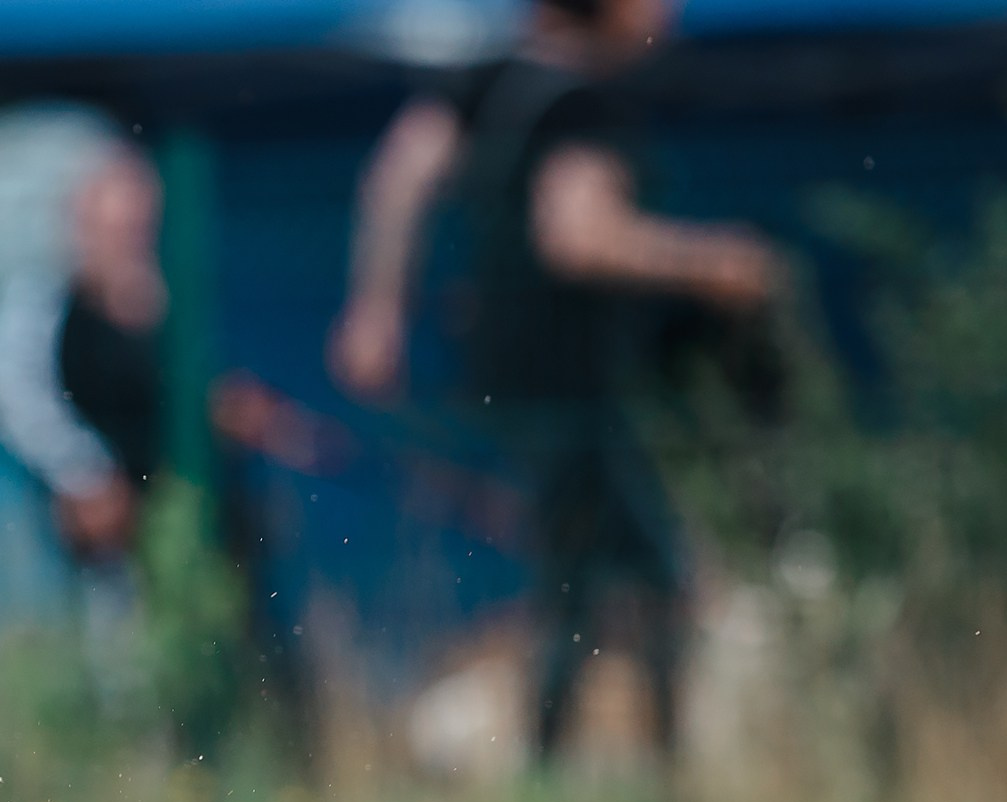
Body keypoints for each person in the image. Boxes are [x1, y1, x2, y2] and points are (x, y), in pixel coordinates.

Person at [330, 0, 776, 761]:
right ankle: (637, 772)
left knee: (575, 574)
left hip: (504, 373)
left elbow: (395, 178)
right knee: (654, 583)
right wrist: (714, 263)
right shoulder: (585, 104)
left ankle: (565, 764)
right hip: (580, 386)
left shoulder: (487, 83)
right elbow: (577, 234)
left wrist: (375, 307)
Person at [0, 144, 326, 726]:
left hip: (198, 514)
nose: (126, 240)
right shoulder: (43, 308)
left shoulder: (169, 298)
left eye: (137, 226)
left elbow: (189, 397)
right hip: (115, 528)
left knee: (245, 647)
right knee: (129, 664)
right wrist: (84, 475)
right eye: (113, 226)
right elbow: (22, 399)